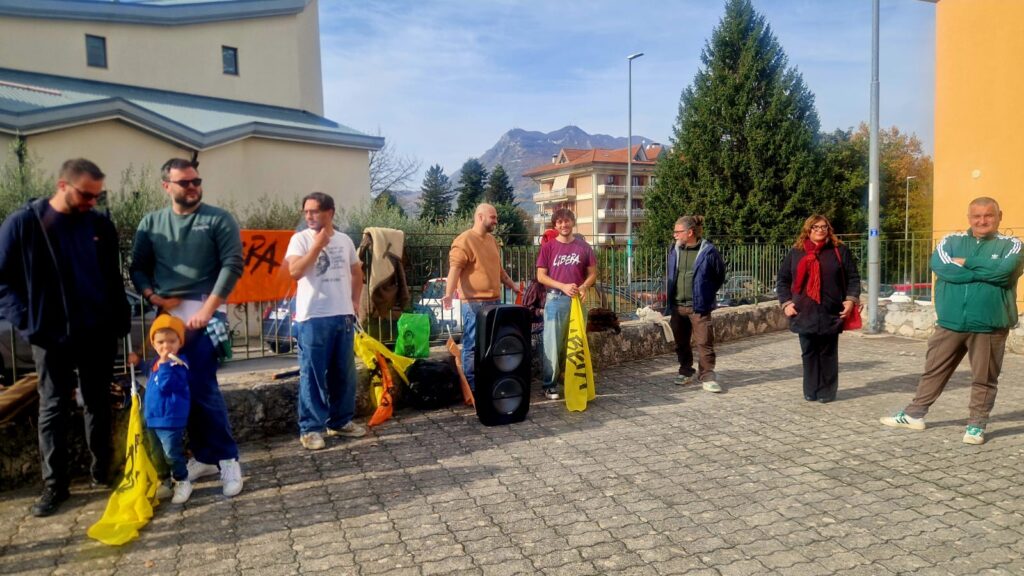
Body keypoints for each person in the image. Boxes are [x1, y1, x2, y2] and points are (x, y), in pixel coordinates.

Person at [0, 158, 129, 517]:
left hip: (97, 332)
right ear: (62, 186)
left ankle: (102, 471)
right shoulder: (24, 223)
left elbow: (112, 276)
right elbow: (2, 280)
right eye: (86, 195)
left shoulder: (99, 224)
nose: (92, 202)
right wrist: (28, 322)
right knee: (53, 406)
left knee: (98, 402)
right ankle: (55, 486)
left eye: (97, 196)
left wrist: (119, 319)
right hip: (50, 334)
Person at [130, 158, 244, 496]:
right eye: (185, 182)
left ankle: (228, 459)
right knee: (177, 388)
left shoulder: (218, 219)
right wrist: (152, 295)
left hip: (206, 312)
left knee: (204, 388)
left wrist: (208, 309)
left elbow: (232, 264)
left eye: (196, 181)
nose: (193, 187)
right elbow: (137, 267)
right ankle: (203, 457)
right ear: (167, 186)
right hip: (167, 320)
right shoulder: (151, 223)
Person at [881, 197, 1022, 444]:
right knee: (933, 371)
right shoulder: (951, 241)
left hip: (989, 325)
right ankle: (914, 415)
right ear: (969, 218)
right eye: (976, 216)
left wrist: (966, 263)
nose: (982, 221)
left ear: (999, 216)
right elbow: (940, 266)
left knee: (984, 378)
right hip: (950, 323)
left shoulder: (1012, 245)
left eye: (988, 215)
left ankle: (976, 426)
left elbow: (1004, 272)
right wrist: (986, 271)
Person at [284, 192, 366, 450]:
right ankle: (310, 429)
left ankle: (340, 421)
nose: (309, 216)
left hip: (342, 315)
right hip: (312, 317)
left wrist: (355, 301)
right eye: (306, 211)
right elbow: (295, 271)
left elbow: (356, 272)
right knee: (313, 375)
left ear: (329, 212)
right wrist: (317, 246)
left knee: (344, 374)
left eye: (314, 211)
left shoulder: (344, 240)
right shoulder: (300, 239)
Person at [776, 214, 860, 403]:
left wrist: (850, 300)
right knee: (809, 352)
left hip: (830, 309)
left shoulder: (839, 250)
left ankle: (827, 392)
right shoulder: (796, 252)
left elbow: (853, 278)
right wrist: (786, 303)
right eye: (815, 227)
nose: (820, 230)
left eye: (823, 227)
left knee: (828, 353)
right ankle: (810, 389)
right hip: (803, 311)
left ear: (828, 229)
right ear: (808, 230)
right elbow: (782, 280)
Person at [441, 203, 521, 391]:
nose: (496, 221)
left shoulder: (492, 241)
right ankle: (471, 387)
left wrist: (513, 286)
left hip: (494, 302)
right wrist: (448, 294)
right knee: (473, 345)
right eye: (493, 217)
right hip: (474, 303)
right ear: (480, 217)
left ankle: (487, 384)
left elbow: (499, 271)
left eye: (496, 217)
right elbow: (455, 269)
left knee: (492, 345)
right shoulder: (464, 240)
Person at [536, 208, 597, 400]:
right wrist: (562, 286)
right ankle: (549, 385)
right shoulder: (548, 248)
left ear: (573, 222)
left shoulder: (584, 247)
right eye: (560, 222)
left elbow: (593, 274)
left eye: (567, 221)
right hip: (555, 300)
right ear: (555, 225)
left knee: (575, 343)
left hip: (577, 301)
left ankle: (572, 380)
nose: (564, 225)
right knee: (553, 344)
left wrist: (584, 286)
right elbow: (541, 276)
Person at [664, 215, 726, 392]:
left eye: (678, 231)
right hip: (677, 306)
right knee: (680, 343)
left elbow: (719, 275)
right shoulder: (674, 249)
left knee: (704, 342)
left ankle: (707, 376)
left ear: (690, 232)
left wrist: (705, 293)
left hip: (699, 307)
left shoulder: (708, 251)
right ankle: (686, 371)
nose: (674, 235)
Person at [144, 314, 192, 503]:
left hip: (170, 419)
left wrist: (165, 365)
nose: (166, 346)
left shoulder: (178, 364)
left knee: (172, 453)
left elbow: (166, 385)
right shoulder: (156, 363)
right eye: (161, 342)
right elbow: (149, 374)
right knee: (157, 454)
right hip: (153, 418)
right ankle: (165, 480)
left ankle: (182, 480)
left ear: (180, 342)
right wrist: (137, 362)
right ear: (153, 344)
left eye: (172, 341)